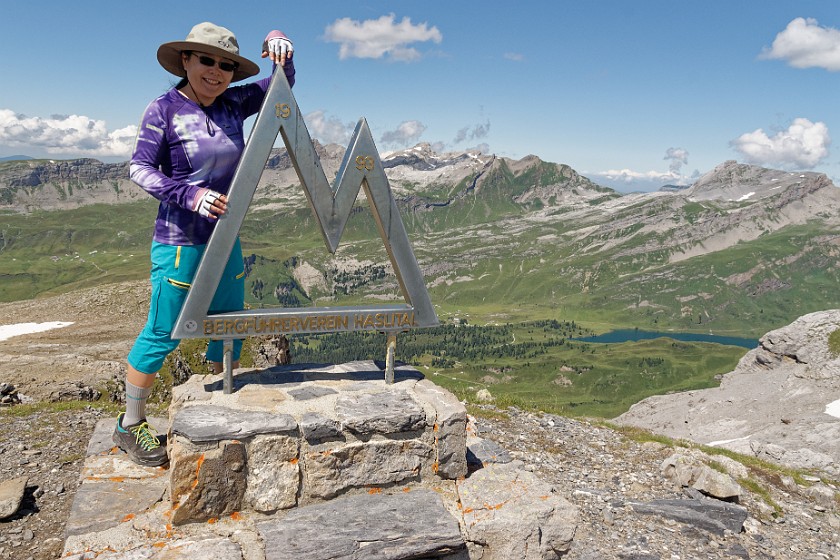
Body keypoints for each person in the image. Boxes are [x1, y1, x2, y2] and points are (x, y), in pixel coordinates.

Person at [113, 22, 296, 467]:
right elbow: (139, 168)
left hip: (225, 237)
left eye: (227, 65)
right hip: (180, 240)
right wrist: (190, 195)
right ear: (186, 61)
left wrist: (281, 48)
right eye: (207, 60)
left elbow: (282, 86)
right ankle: (129, 424)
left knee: (227, 320)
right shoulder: (164, 109)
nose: (217, 71)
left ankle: (221, 395)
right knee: (164, 330)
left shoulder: (235, 99)